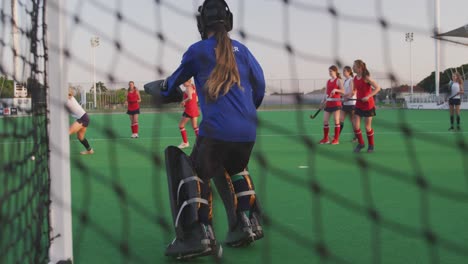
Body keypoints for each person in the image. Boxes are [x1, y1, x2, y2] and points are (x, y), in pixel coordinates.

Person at [155, 0, 265, 259]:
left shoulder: (198, 50)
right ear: (228, 21)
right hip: (248, 132)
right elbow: (259, 88)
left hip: (217, 130)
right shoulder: (244, 51)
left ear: (201, 23)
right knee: (235, 168)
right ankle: (248, 223)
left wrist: (162, 90)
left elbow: (172, 84)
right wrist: (244, 115)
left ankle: (198, 234)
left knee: (193, 172)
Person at [352, 59, 381, 153]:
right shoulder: (355, 79)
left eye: (354, 66)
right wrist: (347, 96)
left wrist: (368, 96)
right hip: (359, 104)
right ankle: (361, 143)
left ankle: (371, 145)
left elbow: (377, 88)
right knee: (356, 126)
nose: (353, 67)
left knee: (367, 127)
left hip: (368, 105)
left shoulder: (366, 78)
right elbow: (354, 91)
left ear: (360, 68)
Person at [319, 65, 345, 145]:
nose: (329, 73)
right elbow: (326, 92)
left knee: (336, 121)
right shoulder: (328, 81)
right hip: (328, 103)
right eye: (329, 71)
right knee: (325, 121)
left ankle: (336, 139)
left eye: (331, 71)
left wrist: (336, 89)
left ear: (335, 71)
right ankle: (326, 139)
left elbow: (343, 91)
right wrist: (322, 101)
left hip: (336, 103)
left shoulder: (339, 80)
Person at [67, 88, 94, 155]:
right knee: (80, 137)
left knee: (67, 132)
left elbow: (71, 92)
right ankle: (90, 150)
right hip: (84, 118)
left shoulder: (69, 96)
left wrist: (68, 94)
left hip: (82, 118)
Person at [178, 79, 200, 148]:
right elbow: (196, 99)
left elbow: (190, 97)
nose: (182, 84)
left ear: (187, 81)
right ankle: (201, 143)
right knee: (195, 127)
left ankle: (185, 142)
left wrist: (183, 101)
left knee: (181, 125)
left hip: (189, 110)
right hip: (195, 109)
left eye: (183, 82)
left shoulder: (188, 88)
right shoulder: (193, 87)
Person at [340, 66, 357, 142]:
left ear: (349, 72)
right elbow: (345, 92)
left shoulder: (351, 80)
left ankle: (356, 137)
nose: (343, 72)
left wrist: (346, 97)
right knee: (340, 120)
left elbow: (353, 92)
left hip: (351, 104)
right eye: (343, 71)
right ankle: (336, 136)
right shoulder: (345, 80)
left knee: (353, 121)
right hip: (345, 103)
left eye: (345, 71)